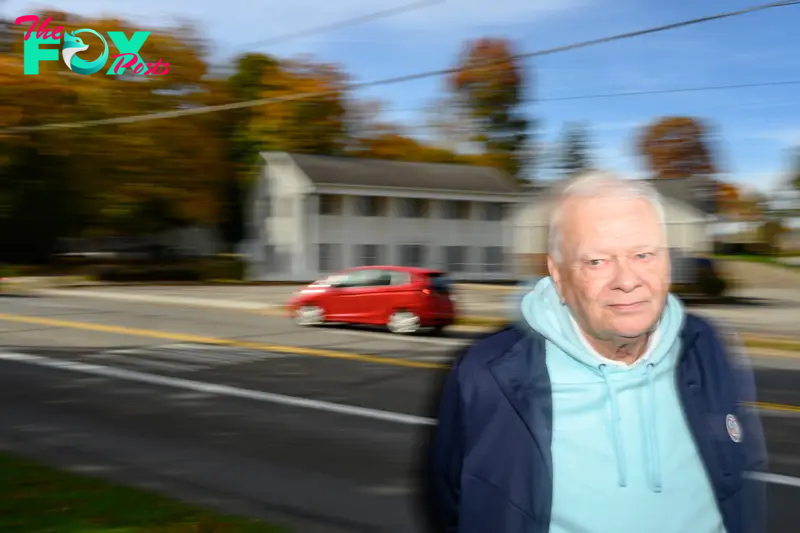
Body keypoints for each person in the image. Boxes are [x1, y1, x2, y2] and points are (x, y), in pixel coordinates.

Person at [426, 171, 767, 533]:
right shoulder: (488, 371)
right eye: (597, 261)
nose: (627, 280)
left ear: (667, 261)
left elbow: (743, 475)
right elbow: (452, 501)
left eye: (643, 254)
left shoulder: (707, 345)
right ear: (558, 275)